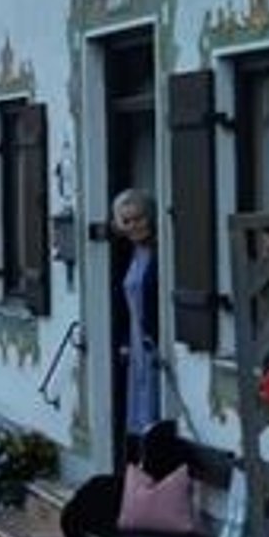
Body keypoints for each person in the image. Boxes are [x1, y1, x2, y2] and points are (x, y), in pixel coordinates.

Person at [112, 187, 161, 448]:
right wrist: (124, 342)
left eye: (139, 218)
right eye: (127, 221)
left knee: (156, 407)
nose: (134, 226)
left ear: (150, 216)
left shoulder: (161, 251)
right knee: (139, 411)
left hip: (153, 342)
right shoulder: (127, 254)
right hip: (135, 343)